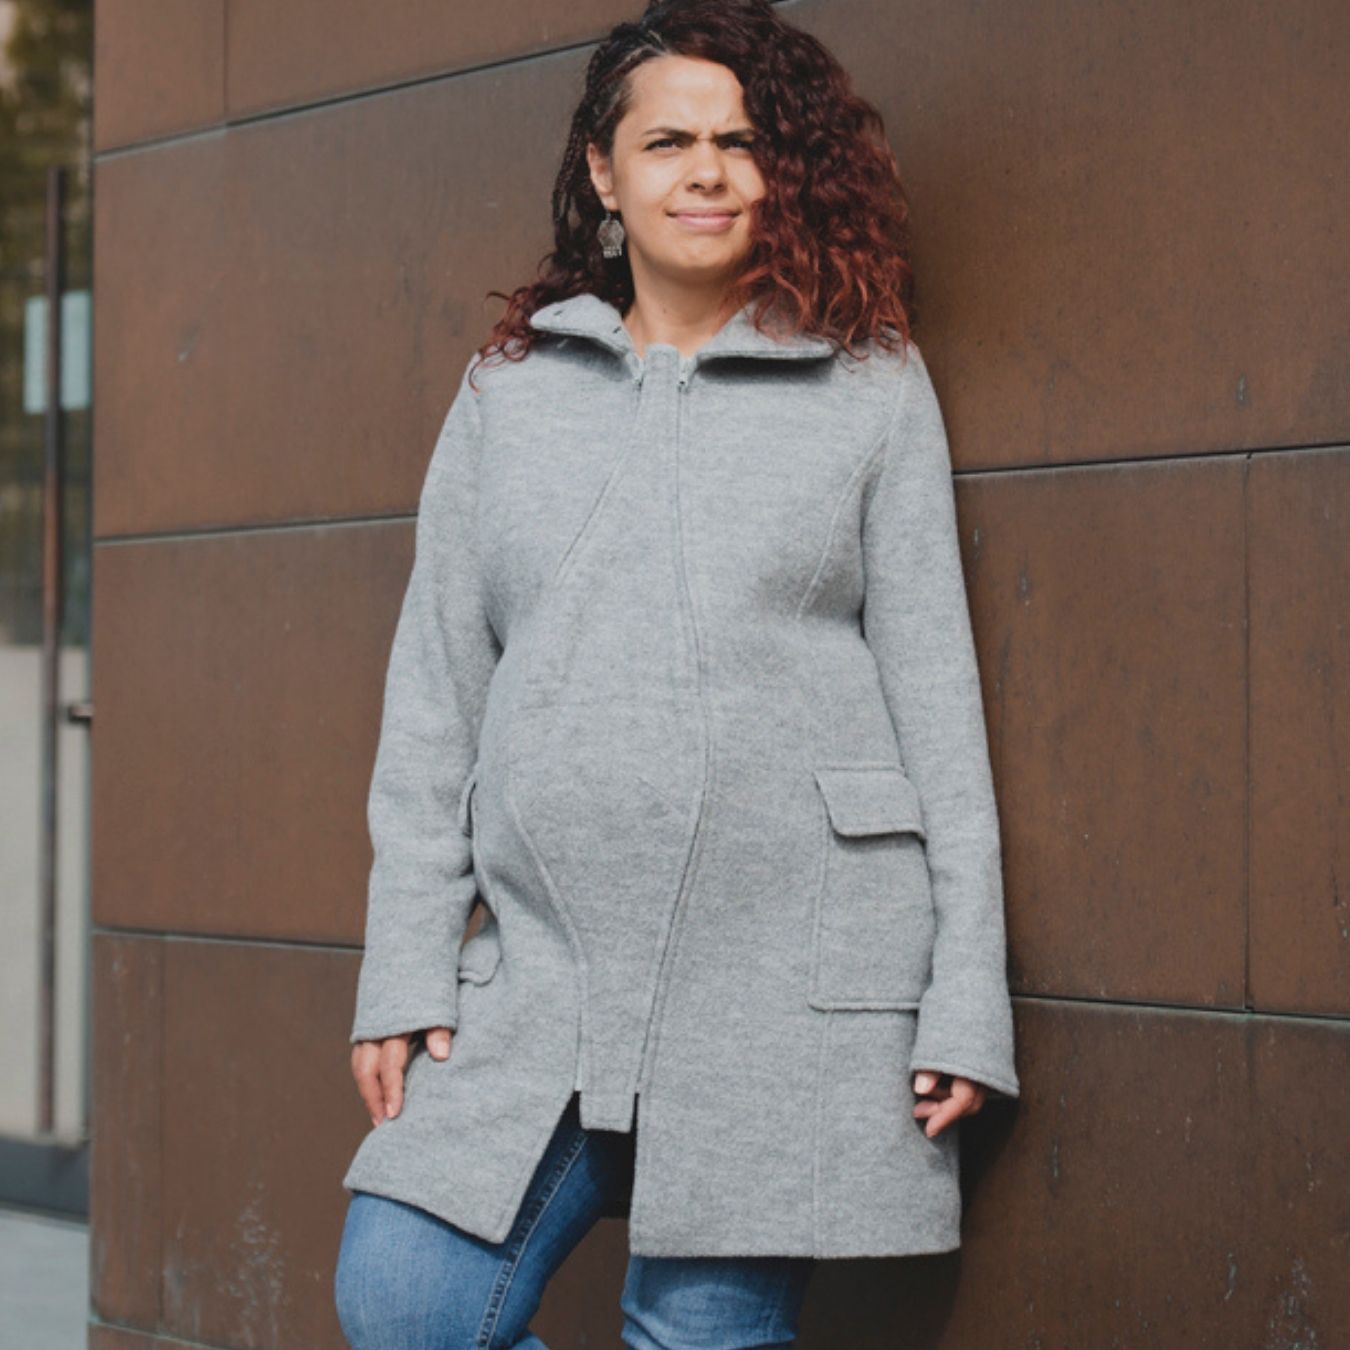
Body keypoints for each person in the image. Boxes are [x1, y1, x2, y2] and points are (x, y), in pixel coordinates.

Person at [334, 1, 1020, 1346]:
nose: (706, 170)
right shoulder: (507, 394)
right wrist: (406, 970)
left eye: (741, 141)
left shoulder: (869, 385)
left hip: (790, 989)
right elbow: (434, 704)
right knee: (403, 1300)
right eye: (667, 140)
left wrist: (964, 994)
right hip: (542, 979)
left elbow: (939, 707)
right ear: (603, 170)